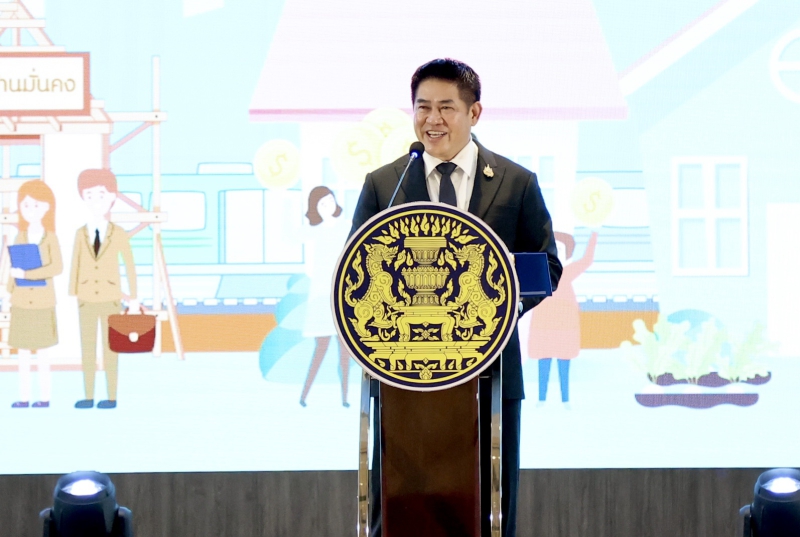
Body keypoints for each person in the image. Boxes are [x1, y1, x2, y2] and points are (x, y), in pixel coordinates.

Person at [350, 58, 562, 537]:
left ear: (474, 112)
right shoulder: (386, 183)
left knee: (489, 512)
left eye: (446, 107)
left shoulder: (515, 182)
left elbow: (545, 267)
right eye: (423, 107)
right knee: (401, 511)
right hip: (403, 381)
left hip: (489, 374)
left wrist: (492, 312)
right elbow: (356, 271)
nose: (433, 119)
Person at [69, 169, 138, 410]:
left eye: (101, 194)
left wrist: (134, 298)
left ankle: (111, 396)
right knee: (87, 348)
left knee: (111, 348)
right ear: (83, 198)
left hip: (110, 298)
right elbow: (75, 263)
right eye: (89, 195)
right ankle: (88, 395)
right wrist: (74, 293)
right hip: (85, 299)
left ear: (112, 197)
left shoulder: (118, 234)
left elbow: (129, 265)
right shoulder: (80, 233)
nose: (95, 200)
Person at [8, 180, 62, 408]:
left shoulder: (50, 238)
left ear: (47, 207)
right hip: (21, 301)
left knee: (42, 353)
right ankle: (23, 398)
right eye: (26, 205)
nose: (30, 210)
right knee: (21, 353)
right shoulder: (19, 236)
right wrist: (9, 291)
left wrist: (27, 274)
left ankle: (44, 398)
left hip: (42, 302)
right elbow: (13, 266)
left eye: (36, 205)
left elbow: (56, 267)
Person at [529, 231, 598, 409]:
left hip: (565, 326)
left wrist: (594, 235)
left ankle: (565, 400)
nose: (556, 252)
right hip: (543, 325)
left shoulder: (568, 271)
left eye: (560, 249)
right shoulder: (541, 270)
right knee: (543, 363)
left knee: (564, 364)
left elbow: (587, 260)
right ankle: (541, 399)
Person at [299, 186, 351, 408]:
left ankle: (345, 398)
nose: (327, 205)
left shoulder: (347, 226)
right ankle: (304, 396)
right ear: (315, 209)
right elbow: (289, 237)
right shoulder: (315, 230)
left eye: (329, 200)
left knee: (345, 353)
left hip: (343, 296)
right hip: (321, 298)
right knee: (320, 350)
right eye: (321, 204)